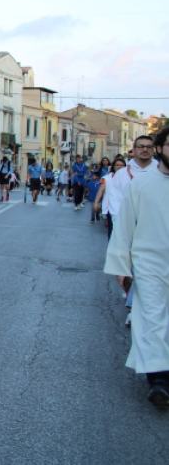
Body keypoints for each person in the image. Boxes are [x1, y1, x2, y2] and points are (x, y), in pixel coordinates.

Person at [103, 126, 169, 408]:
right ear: (160, 148)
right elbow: (124, 227)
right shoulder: (140, 184)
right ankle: (160, 381)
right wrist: (122, 266)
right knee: (153, 318)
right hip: (149, 262)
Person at [94, 158, 126, 239]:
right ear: (113, 166)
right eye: (117, 165)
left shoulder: (129, 178)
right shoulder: (106, 178)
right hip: (111, 209)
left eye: (122, 165)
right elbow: (101, 190)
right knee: (111, 232)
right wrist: (96, 202)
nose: (119, 167)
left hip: (125, 209)